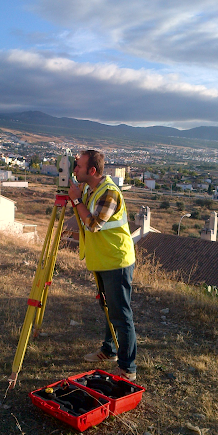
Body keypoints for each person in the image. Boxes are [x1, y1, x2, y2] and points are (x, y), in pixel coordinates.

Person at [68, 150, 137, 381]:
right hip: (102, 259)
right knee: (108, 309)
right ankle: (110, 350)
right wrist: (77, 198)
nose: (74, 169)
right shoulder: (91, 189)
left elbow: (94, 224)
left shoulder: (108, 192)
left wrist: (77, 200)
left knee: (121, 314)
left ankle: (128, 368)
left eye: (78, 166)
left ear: (93, 171)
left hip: (116, 260)